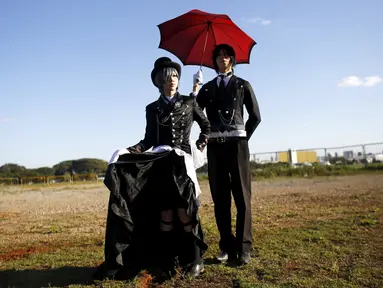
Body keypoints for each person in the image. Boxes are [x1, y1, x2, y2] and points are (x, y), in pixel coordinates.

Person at [93, 57, 210, 281]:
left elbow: (205, 124)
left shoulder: (189, 102)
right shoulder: (152, 109)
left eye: (175, 76)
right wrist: (129, 150)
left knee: (186, 211)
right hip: (160, 165)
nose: (172, 80)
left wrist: (203, 139)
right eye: (167, 77)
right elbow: (148, 140)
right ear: (159, 81)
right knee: (165, 213)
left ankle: (196, 260)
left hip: (181, 164)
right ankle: (166, 260)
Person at [192, 44, 261, 265]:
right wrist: (196, 88)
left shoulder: (243, 85)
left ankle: (244, 248)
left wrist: (243, 138)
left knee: (242, 197)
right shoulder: (208, 87)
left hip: (237, 147)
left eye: (226, 55)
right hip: (215, 148)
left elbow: (256, 116)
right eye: (218, 55)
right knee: (220, 199)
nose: (222, 58)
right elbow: (191, 110)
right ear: (214, 60)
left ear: (232, 59)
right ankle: (226, 247)